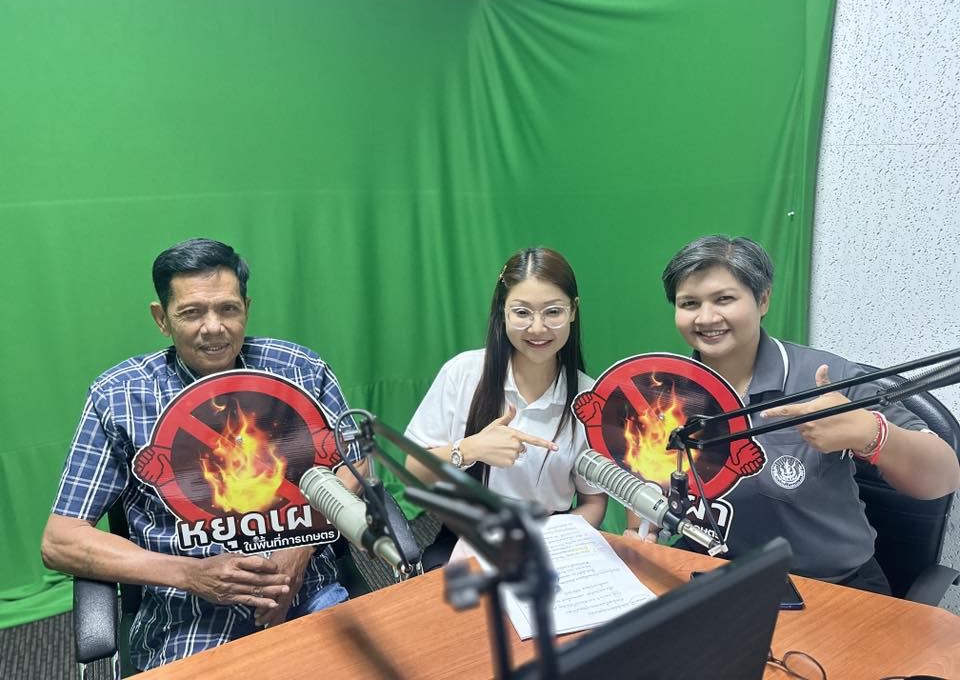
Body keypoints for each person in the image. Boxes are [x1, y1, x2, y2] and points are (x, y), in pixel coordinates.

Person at [41, 238, 360, 671]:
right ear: (162, 319)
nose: (214, 328)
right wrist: (190, 574)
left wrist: (301, 545)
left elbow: (356, 464)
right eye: (192, 313)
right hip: (190, 616)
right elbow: (61, 541)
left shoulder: (299, 369)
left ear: (246, 308)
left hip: (306, 590)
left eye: (228, 309)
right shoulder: (119, 396)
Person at [652, 234, 960, 592]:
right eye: (689, 303)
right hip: (707, 574)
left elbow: (943, 477)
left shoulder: (828, 377)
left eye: (724, 299)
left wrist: (871, 434)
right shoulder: (666, 389)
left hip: (829, 585)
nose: (706, 318)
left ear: (762, 299)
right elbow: (646, 472)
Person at [404, 248, 607, 566]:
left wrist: (554, 541)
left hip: (551, 539)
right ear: (503, 311)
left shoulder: (589, 399)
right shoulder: (463, 373)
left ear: (573, 311)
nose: (537, 328)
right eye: (522, 312)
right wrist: (469, 449)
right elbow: (413, 473)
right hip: (467, 536)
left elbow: (593, 501)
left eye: (553, 312)